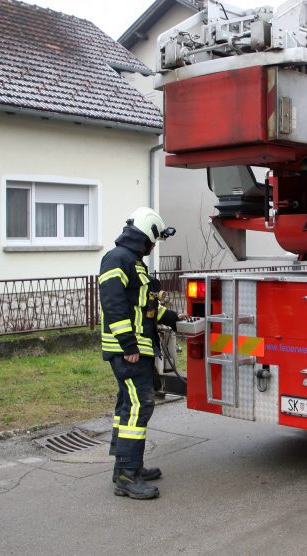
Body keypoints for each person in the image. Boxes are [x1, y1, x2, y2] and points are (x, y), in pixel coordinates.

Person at [99, 207, 182, 500]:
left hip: (134, 350)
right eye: (153, 240)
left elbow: (143, 308)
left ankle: (127, 466)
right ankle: (126, 476)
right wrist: (129, 346)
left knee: (128, 407)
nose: (153, 247)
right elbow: (113, 305)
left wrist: (174, 318)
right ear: (146, 234)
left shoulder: (131, 262)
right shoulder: (118, 259)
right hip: (128, 352)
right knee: (140, 406)